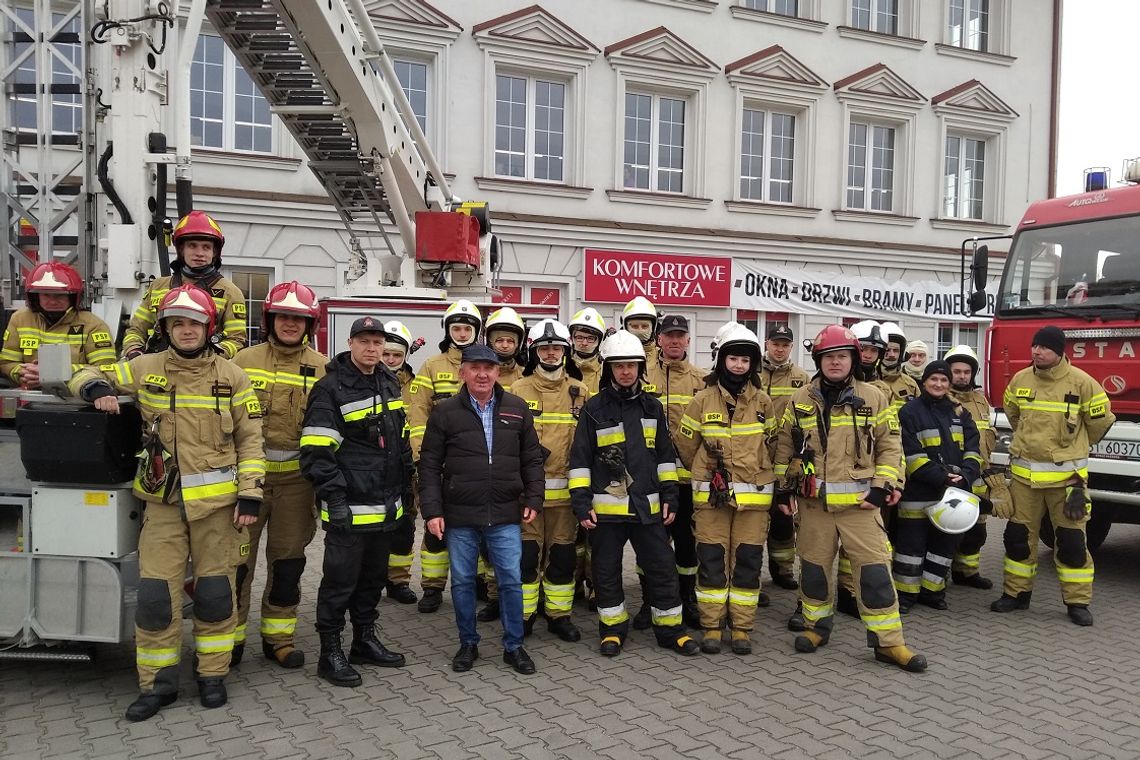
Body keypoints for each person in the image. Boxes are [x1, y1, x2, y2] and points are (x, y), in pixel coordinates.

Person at [69, 285, 264, 720]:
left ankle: (212, 676)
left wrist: (251, 493)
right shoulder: (144, 367)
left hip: (218, 508)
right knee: (156, 597)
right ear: (166, 327)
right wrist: (96, 387)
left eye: (194, 323)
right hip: (162, 504)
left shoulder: (233, 376)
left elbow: (252, 440)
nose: (186, 330)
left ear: (207, 327)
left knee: (215, 594)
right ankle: (158, 685)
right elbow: (80, 372)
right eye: (177, 322)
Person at [774, 325, 926, 672]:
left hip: (861, 503)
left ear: (853, 359)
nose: (835, 363)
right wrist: (783, 489)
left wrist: (883, 485)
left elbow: (891, 446)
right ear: (819, 361)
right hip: (813, 506)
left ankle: (889, 644)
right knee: (813, 572)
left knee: (874, 574)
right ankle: (816, 628)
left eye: (842, 356)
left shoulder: (874, 397)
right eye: (828, 357)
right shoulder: (800, 400)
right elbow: (785, 445)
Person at [569, 330, 699, 657]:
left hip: (647, 509)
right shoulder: (593, 409)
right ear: (608, 369)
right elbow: (580, 459)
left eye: (632, 366)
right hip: (607, 512)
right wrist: (582, 505)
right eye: (619, 366)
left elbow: (665, 457)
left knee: (662, 569)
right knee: (606, 572)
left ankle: (671, 629)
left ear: (641, 369)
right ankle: (612, 629)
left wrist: (671, 497)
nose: (625, 372)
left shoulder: (652, 407)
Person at [417, 344, 545, 675]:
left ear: (498, 372)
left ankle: (514, 647)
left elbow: (531, 457)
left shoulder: (517, 408)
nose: (482, 373)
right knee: (461, 582)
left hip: (504, 513)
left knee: (510, 581)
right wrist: (432, 511)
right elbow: (429, 465)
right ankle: (468, 643)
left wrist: (533, 497)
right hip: (460, 513)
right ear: (463, 373)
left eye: (489, 368)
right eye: (474, 367)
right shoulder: (445, 412)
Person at [301, 317, 411, 687]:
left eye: (378, 342)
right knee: (339, 583)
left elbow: (399, 441)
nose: (372, 348)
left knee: (372, 580)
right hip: (348, 505)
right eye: (364, 341)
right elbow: (317, 452)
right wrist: (334, 498)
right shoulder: (330, 388)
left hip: (384, 506)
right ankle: (330, 652)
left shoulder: (388, 381)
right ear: (350, 343)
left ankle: (364, 640)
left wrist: (405, 491)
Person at [991, 326, 1115, 626]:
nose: (1037, 352)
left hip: (1068, 482)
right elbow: (1014, 414)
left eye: (1044, 347)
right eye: (1035, 346)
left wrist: (1074, 446)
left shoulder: (1083, 383)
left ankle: (1077, 602)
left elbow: (1100, 422)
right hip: (1024, 481)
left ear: (1060, 351)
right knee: (1018, 538)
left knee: (1072, 542)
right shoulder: (1021, 379)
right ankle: (1016, 594)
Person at [231, 282, 326, 668]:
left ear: (309, 324)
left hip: (297, 486)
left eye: (298, 318)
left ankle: (278, 638)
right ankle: (230, 638)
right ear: (270, 319)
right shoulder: (241, 361)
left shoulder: (323, 368)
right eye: (284, 317)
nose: (290, 324)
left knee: (288, 564)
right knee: (236, 566)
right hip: (246, 484)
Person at [676, 324, 775, 655]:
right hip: (711, 500)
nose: (738, 366)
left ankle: (742, 628)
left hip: (754, 502)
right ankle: (712, 627)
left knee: (747, 562)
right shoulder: (701, 400)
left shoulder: (764, 402)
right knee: (712, 561)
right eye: (733, 359)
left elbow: (774, 446)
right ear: (722, 361)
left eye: (745, 361)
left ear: (752, 365)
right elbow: (686, 444)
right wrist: (706, 472)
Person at [491, 320, 588, 641]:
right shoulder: (515, 390)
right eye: (544, 348)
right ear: (533, 351)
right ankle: (524, 615)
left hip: (565, 499)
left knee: (562, 558)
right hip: (526, 498)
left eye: (556, 348)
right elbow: (504, 443)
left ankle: (559, 615)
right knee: (526, 559)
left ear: (565, 351)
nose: (550, 353)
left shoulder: (580, 391)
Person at [407, 299, 482, 613]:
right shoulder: (431, 366)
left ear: (476, 332)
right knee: (436, 528)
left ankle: (477, 583)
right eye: (456, 328)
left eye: (467, 328)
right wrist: (425, 459)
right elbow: (418, 414)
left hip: (476, 464)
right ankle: (433, 588)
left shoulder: (484, 363)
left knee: (478, 526)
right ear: (448, 331)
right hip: (441, 463)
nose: (462, 333)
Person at [893, 361, 983, 612]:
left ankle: (932, 593)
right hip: (919, 492)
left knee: (943, 546)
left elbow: (974, 449)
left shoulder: (960, 413)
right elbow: (909, 454)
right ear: (924, 382)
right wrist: (941, 477)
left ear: (949, 384)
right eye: (933, 379)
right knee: (911, 547)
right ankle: (906, 596)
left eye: (943, 380)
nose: (938, 384)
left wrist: (966, 475)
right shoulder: (909, 412)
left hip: (952, 494)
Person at [640, 314, 706, 629]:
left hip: (686, 481)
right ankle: (649, 600)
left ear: (688, 340)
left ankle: (686, 598)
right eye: (670, 335)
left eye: (681, 335)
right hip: (650, 479)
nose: (675, 340)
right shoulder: (643, 375)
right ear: (659, 339)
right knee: (650, 543)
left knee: (686, 543)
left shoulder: (702, 379)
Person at [121, 211, 247, 359]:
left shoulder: (229, 292)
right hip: (157, 367)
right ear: (181, 249)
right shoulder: (158, 287)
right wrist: (134, 351)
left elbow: (236, 340)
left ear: (215, 252)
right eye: (192, 246)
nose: (199, 253)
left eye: (206, 247)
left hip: (202, 371)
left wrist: (210, 357)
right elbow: (136, 329)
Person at [476, 306, 528, 620]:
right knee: (489, 539)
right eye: (500, 339)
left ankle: (517, 597)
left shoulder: (526, 377)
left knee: (515, 540)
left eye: (510, 340)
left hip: (516, 467)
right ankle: (494, 597)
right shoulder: (480, 373)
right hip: (484, 468)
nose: (505, 345)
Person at [945, 344, 1008, 589]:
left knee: (977, 532)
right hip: (954, 477)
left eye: (966, 372)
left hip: (979, 479)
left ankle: (966, 573)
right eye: (957, 371)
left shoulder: (982, 401)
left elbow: (987, 438)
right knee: (948, 530)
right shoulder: (942, 400)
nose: (962, 376)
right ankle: (939, 575)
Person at [0, 262, 116, 387]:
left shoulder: (93, 325)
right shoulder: (20, 319)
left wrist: (55, 374)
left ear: (73, 297)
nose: (53, 301)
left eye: (60, 295)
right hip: (31, 400)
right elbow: (7, 362)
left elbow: (106, 370)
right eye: (46, 295)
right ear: (35, 296)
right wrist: (24, 373)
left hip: (77, 401)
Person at [760, 324, 810, 593]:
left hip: (786, 458)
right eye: (775, 343)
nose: (779, 349)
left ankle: (783, 570)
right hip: (755, 457)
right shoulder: (752, 370)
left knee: (783, 519)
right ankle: (750, 576)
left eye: (785, 344)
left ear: (791, 347)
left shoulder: (801, 377)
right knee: (755, 520)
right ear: (766, 343)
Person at [379, 320, 423, 605]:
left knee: (405, 526)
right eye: (386, 354)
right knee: (373, 526)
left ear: (406, 355)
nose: (391, 359)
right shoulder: (364, 381)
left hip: (406, 469)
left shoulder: (416, 386)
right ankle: (371, 578)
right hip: (373, 469)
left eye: (397, 355)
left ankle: (398, 580)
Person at [570, 307, 607, 394]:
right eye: (580, 337)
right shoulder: (561, 366)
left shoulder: (605, 369)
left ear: (599, 341)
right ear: (572, 338)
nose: (584, 343)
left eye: (590, 338)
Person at [621, 296, 659, 364]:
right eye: (635, 326)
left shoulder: (663, 357)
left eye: (645, 326)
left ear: (653, 328)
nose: (640, 331)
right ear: (625, 326)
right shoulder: (614, 355)